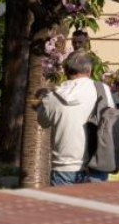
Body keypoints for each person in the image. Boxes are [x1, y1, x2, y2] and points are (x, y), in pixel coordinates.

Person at [36, 50, 114, 185]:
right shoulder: (102, 90)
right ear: (89, 70)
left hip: (63, 167)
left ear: (65, 71)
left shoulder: (52, 97)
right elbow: (111, 117)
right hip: (96, 163)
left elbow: (42, 122)